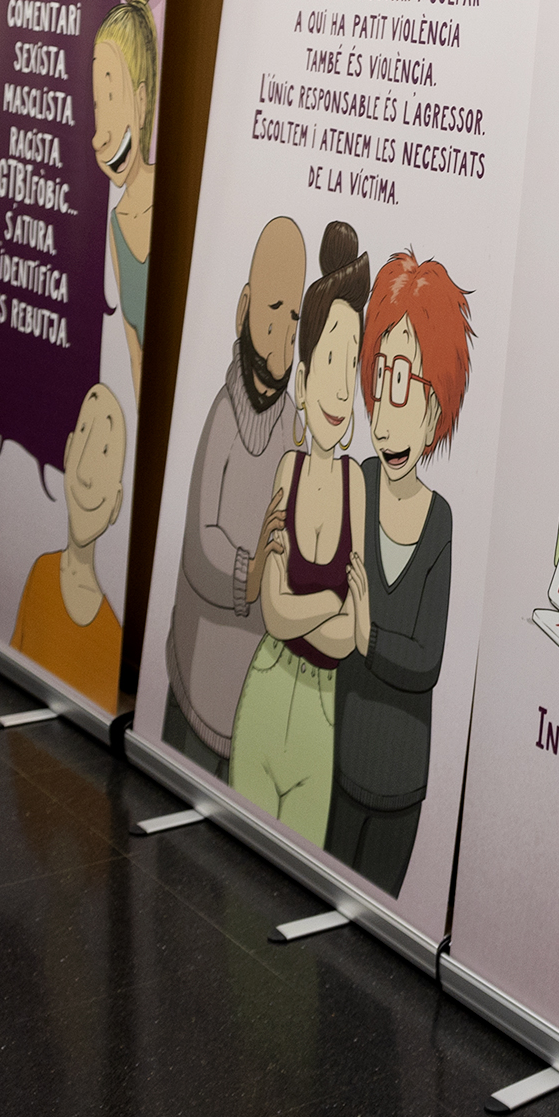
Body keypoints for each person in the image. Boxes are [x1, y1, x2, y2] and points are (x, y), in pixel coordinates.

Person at [328, 251, 471, 893]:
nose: (388, 415)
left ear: (438, 404)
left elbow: (427, 659)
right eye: (381, 378)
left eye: (410, 384)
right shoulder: (355, 484)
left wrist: (368, 637)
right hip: (336, 756)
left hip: (402, 781)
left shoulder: (440, 522)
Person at [229, 222, 372, 845]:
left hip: (320, 715)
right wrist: (333, 604)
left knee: (299, 866)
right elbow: (274, 612)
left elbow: (355, 638)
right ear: (306, 375)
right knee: (237, 860)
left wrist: (313, 611)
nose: (342, 386)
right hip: (267, 688)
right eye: (332, 361)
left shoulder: (355, 484)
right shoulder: (286, 470)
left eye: (353, 363)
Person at [167, 216, 307, 779]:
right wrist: (251, 574)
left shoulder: (294, 429)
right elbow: (200, 545)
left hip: (255, 688)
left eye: (294, 319)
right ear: (244, 308)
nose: (283, 337)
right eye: (273, 310)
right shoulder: (222, 416)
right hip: (197, 670)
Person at [9, 383, 128, 712]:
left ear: (117, 502)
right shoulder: (41, 572)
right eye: (85, 434)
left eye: (105, 451)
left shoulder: (111, 635)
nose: (87, 473)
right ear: (68, 450)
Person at [90, 0, 157, 401]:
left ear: (142, 101)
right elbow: (136, 357)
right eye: (97, 105)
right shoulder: (116, 225)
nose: (100, 136)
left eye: (112, 98)